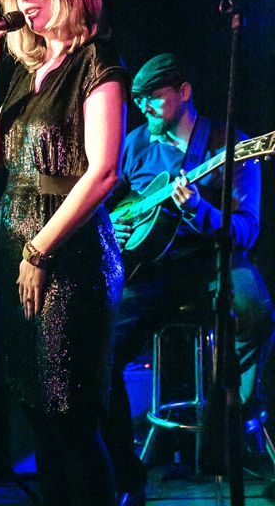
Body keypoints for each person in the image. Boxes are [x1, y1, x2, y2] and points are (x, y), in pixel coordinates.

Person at [0, 0, 128, 506]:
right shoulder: (27, 72)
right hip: (19, 259)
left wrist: (39, 251)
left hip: (70, 264)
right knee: (38, 416)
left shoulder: (96, 64)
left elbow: (103, 173)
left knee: (70, 420)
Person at [104, 53, 275, 504]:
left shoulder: (230, 146)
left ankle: (233, 422)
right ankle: (125, 472)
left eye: (154, 98)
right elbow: (108, 203)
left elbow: (246, 231)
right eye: (138, 100)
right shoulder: (135, 143)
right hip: (152, 267)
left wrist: (198, 209)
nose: (144, 108)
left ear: (183, 92)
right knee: (102, 343)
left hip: (215, 260)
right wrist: (114, 224)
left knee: (255, 311)